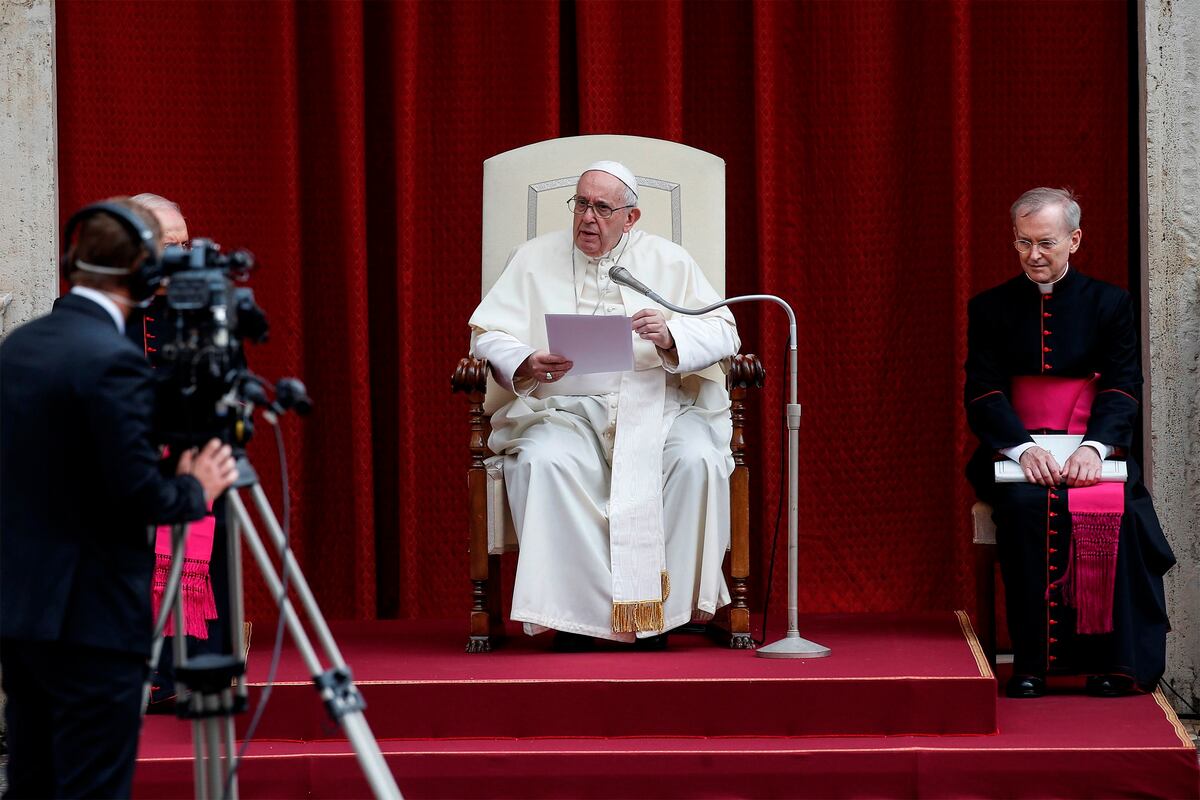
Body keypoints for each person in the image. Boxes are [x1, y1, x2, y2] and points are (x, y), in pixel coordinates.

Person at [0, 197, 239, 798]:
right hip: (89, 617)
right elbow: (139, 492)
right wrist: (196, 489)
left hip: (21, 613)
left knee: (32, 777)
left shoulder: (19, 347)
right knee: (92, 785)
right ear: (142, 269)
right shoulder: (111, 358)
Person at [469, 161, 740, 650]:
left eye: (602, 208)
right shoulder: (531, 258)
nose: (586, 219)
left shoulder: (670, 261)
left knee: (697, 457)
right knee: (542, 460)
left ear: (631, 218)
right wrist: (526, 360)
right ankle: (573, 618)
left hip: (660, 408)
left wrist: (672, 336)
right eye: (580, 204)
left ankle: (660, 615)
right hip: (563, 410)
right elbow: (488, 337)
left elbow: (725, 330)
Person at [964, 187, 1176, 698]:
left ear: (1074, 239)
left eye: (1045, 243)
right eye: (1022, 243)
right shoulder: (990, 307)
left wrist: (1093, 449)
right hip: (1017, 454)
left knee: (1113, 509)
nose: (1033, 255)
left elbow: (1124, 384)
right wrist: (1022, 450)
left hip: (1092, 451)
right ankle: (1032, 663)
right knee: (1023, 507)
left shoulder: (1110, 303)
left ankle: (1112, 663)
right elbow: (983, 389)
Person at [127, 192, 232, 710]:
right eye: (170, 244)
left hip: (192, 459)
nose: (182, 253)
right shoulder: (101, 307)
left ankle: (194, 673)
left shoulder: (203, 305)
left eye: (186, 243)